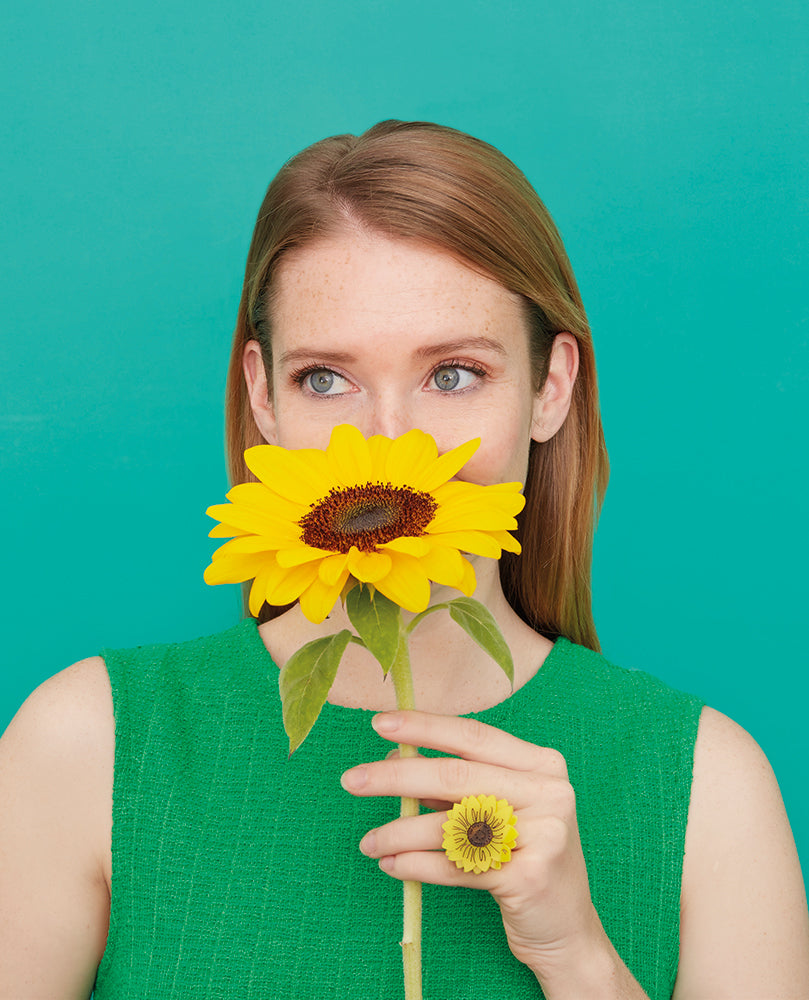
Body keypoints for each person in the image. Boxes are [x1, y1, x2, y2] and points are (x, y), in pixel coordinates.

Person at [1, 120, 807, 1000]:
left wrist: (578, 960)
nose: (389, 444)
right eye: (325, 379)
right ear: (261, 397)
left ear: (550, 388)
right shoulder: (90, 746)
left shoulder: (704, 785)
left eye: (453, 374)